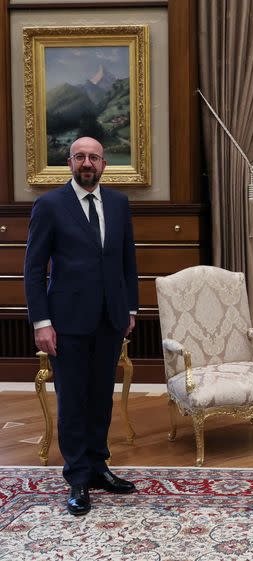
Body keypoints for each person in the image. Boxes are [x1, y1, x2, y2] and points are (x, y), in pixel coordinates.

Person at [24, 137, 139, 516]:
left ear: (104, 164)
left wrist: (131, 310)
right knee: (73, 400)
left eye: (93, 157)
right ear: (69, 163)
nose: (87, 162)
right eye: (80, 157)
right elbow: (34, 269)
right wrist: (42, 322)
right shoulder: (50, 205)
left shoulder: (120, 205)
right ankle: (76, 477)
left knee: (100, 397)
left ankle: (98, 467)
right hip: (66, 322)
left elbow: (127, 263)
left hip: (110, 319)